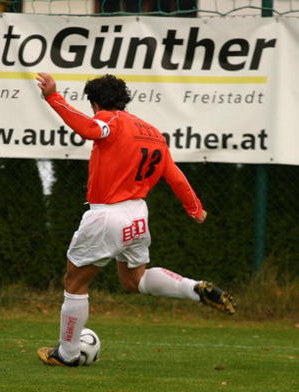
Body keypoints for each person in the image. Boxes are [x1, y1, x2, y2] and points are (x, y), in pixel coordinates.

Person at [35, 73, 237, 366]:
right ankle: (193, 289)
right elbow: (173, 174)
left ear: (95, 103)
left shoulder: (110, 121)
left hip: (107, 216)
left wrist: (53, 97)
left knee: (75, 283)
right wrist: (195, 208)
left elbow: (90, 129)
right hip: (137, 215)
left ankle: (67, 354)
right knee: (134, 278)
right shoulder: (152, 132)